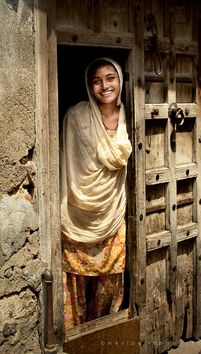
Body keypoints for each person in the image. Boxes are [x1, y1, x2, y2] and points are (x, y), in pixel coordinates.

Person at [60, 58, 132, 330]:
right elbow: (69, 165)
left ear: (121, 80)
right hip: (78, 214)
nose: (105, 85)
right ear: (89, 87)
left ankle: (104, 336)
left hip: (113, 214)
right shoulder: (76, 116)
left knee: (109, 284)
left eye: (110, 77)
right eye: (96, 80)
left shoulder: (130, 116)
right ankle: (76, 339)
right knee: (74, 284)